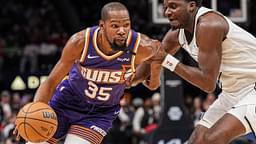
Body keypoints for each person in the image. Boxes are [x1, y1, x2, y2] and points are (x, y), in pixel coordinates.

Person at [14, 2, 163, 144]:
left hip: (100, 113)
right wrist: (32, 114)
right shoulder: (80, 42)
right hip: (66, 102)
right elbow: (51, 81)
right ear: (102, 26)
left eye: (126, 25)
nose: (122, 31)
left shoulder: (141, 46)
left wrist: (148, 78)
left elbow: (159, 50)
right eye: (115, 26)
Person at [161, 0, 256, 143]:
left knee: (213, 139)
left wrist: (168, 61)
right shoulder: (175, 35)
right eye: (165, 7)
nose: (167, 11)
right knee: (197, 141)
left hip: (253, 88)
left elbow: (208, 84)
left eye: (173, 6)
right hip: (232, 91)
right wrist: (125, 76)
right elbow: (151, 61)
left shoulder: (209, 24)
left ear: (192, 6)